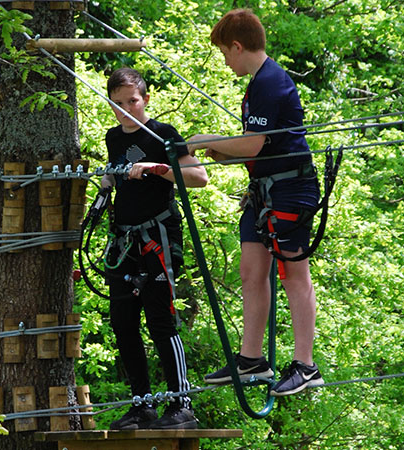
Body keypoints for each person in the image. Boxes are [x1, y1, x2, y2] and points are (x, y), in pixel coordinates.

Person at [187, 9, 324, 396]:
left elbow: (253, 143)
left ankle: (306, 364)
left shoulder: (270, 82)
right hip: (263, 190)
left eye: (225, 54)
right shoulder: (257, 84)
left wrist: (206, 139)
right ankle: (251, 360)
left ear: (237, 46)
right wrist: (223, 152)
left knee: (294, 274)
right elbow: (256, 149)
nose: (226, 62)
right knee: (251, 271)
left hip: (289, 190)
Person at [101, 68, 208, 429]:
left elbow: (198, 178)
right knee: (123, 322)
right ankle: (141, 403)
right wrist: (107, 181)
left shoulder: (163, 134)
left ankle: (181, 404)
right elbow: (116, 173)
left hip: (157, 238)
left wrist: (157, 167)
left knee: (161, 320)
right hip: (124, 240)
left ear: (145, 99)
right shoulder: (113, 138)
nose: (126, 109)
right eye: (118, 104)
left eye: (132, 101)